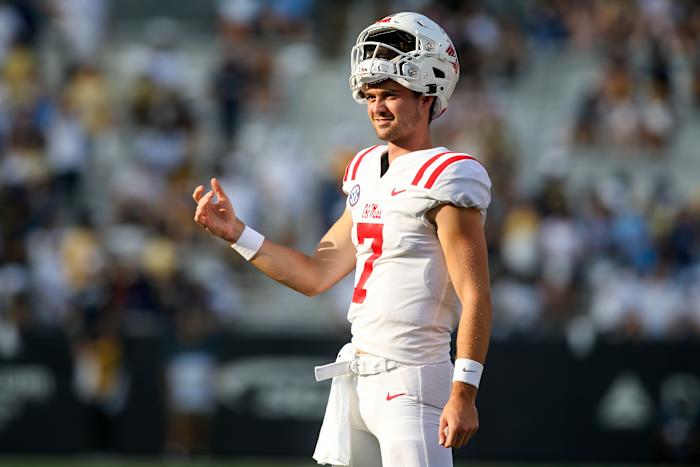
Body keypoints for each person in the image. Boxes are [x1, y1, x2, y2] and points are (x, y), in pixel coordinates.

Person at [193, 12, 492, 467]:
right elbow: (316, 273)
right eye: (371, 95)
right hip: (355, 376)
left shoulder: (448, 176)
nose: (377, 106)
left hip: (411, 381)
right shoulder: (366, 167)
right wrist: (238, 234)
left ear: (428, 96)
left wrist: (465, 390)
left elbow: (476, 296)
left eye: (391, 93)